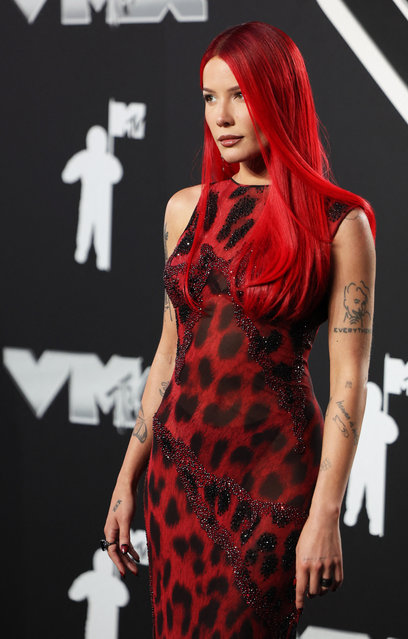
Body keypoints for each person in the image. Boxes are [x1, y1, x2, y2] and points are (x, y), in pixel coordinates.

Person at [101, 21, 376, 639]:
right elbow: (169, 358)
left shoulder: (339, 224)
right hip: (176, 481)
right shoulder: (186, 210)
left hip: (273, 492)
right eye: (209, 97)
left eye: (240, 95)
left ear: (279, 97)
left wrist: (326, 512)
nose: (221, 117)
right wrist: (127, 478)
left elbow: (351, 382)